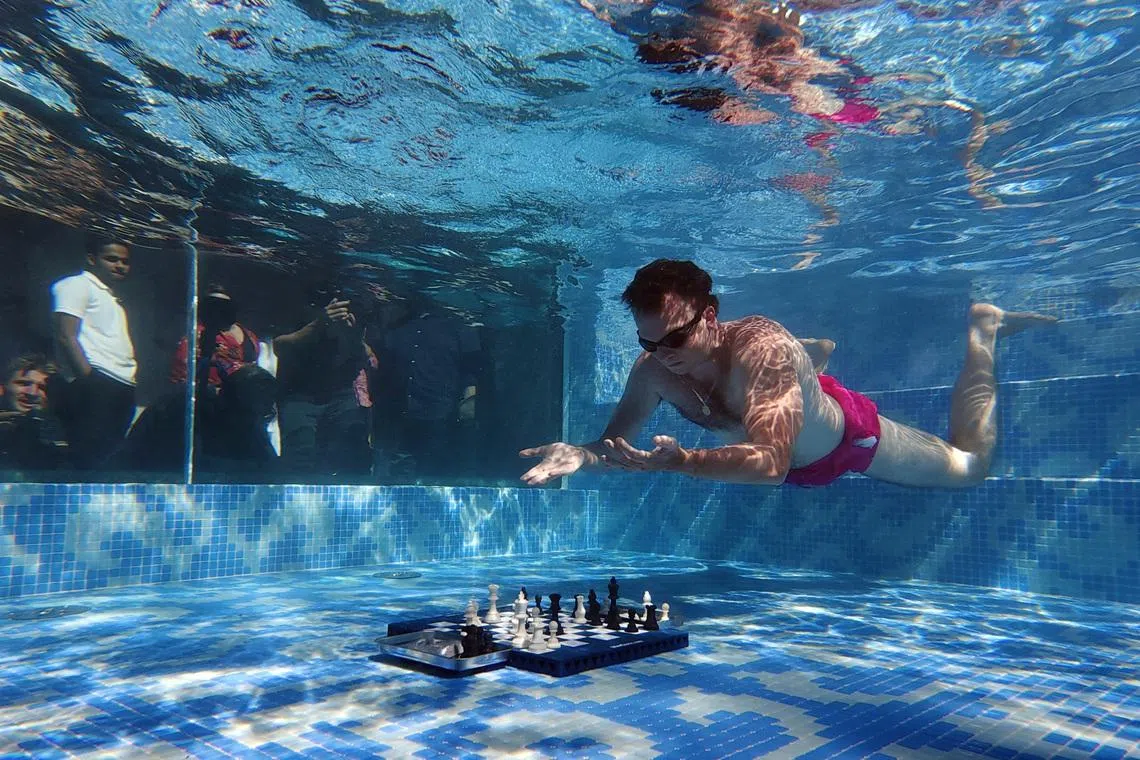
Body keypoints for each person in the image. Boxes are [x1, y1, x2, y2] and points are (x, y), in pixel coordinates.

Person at [520, 259, 1055, 488]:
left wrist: (683, 461)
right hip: (783, 409)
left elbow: (772, 464)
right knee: (780, 377)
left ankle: (984, 329)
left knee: (971, 465)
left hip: (848, 442)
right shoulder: (653, 370)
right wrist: (582, 454)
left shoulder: (763, 351)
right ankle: (813, 358)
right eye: (647, 343)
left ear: (710, 317)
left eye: (675, 340)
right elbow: (616, 448)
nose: (661, 355)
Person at [50, 235, 137, 469]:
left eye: (125, 261)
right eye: (111, 259)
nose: (119, 265)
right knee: (89, 458)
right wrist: (88, 380)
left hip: (121, 384)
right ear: (92, 259)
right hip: (98, 383)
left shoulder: (109, 296)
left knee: (108, 459)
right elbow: (65, 335)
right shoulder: (77, 284)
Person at [373, 298, 482, 481]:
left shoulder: (459, 325)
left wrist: (469, 401)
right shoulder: (398, 326)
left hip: (441, 412)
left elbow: (471, 370)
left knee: (437, 471)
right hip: (400, 413)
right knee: (400, 472)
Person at [274, 291, 378, 481]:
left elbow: (368, 357)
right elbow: (280, 347)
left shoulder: (355, 311)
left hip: (340, 394)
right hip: (299, 394)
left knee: (349, 456)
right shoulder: (302, 310)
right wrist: (319, 324)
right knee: (300, 455)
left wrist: (353, 337)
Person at [0, 353, 69, 472]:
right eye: (23, 383)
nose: (32, 393)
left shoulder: (68, 433)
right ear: (2, 388)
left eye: (42, 387)